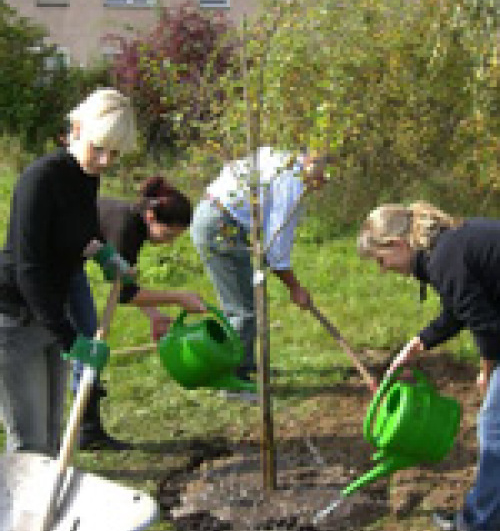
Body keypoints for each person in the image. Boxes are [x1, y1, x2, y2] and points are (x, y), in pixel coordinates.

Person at [0, 87, 137, 456]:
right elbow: (27, 267)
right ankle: (22, 513)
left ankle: (50, 509)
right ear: (76, 129)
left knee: (53, 435)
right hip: (14, 318)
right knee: (30, 444)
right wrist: (70, 339)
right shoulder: (38, 180)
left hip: (50, 312)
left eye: (115, 153)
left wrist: (105, 255)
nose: (106, 160)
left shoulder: (85, 176)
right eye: (99, 148)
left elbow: (79, 232)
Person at [357, 200, 500, 531]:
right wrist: (418, 344)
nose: (382, 268)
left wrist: (487, 370)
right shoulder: (446, 247)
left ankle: (481, 521)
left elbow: (487, 326)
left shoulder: (445, 258)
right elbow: (459, 309)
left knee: (493, 428)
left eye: (381, 260)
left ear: (398, 244)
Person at [70, 176, 207, 450]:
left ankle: (88, 429)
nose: (168, 243)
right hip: (52, 269)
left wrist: (154, 315)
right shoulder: (125, 227)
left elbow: (125, 281)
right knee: (85, 344)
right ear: (150, 216)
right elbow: (124, 294)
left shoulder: (135, 223)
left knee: (89, 341)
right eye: (167, 235)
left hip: (73, 268)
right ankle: (85, 429)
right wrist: (179, 298)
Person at [190, 146, 330, 397]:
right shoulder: (291, 182)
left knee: (248, 302)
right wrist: (295, 288)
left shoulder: (279, 160)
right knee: (243, 310)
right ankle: (231, 381)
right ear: (311, 164)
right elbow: (276, 248)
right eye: (324, 173)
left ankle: (245, 362)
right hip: (220, 226)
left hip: (220, 219)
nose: (324, 182)